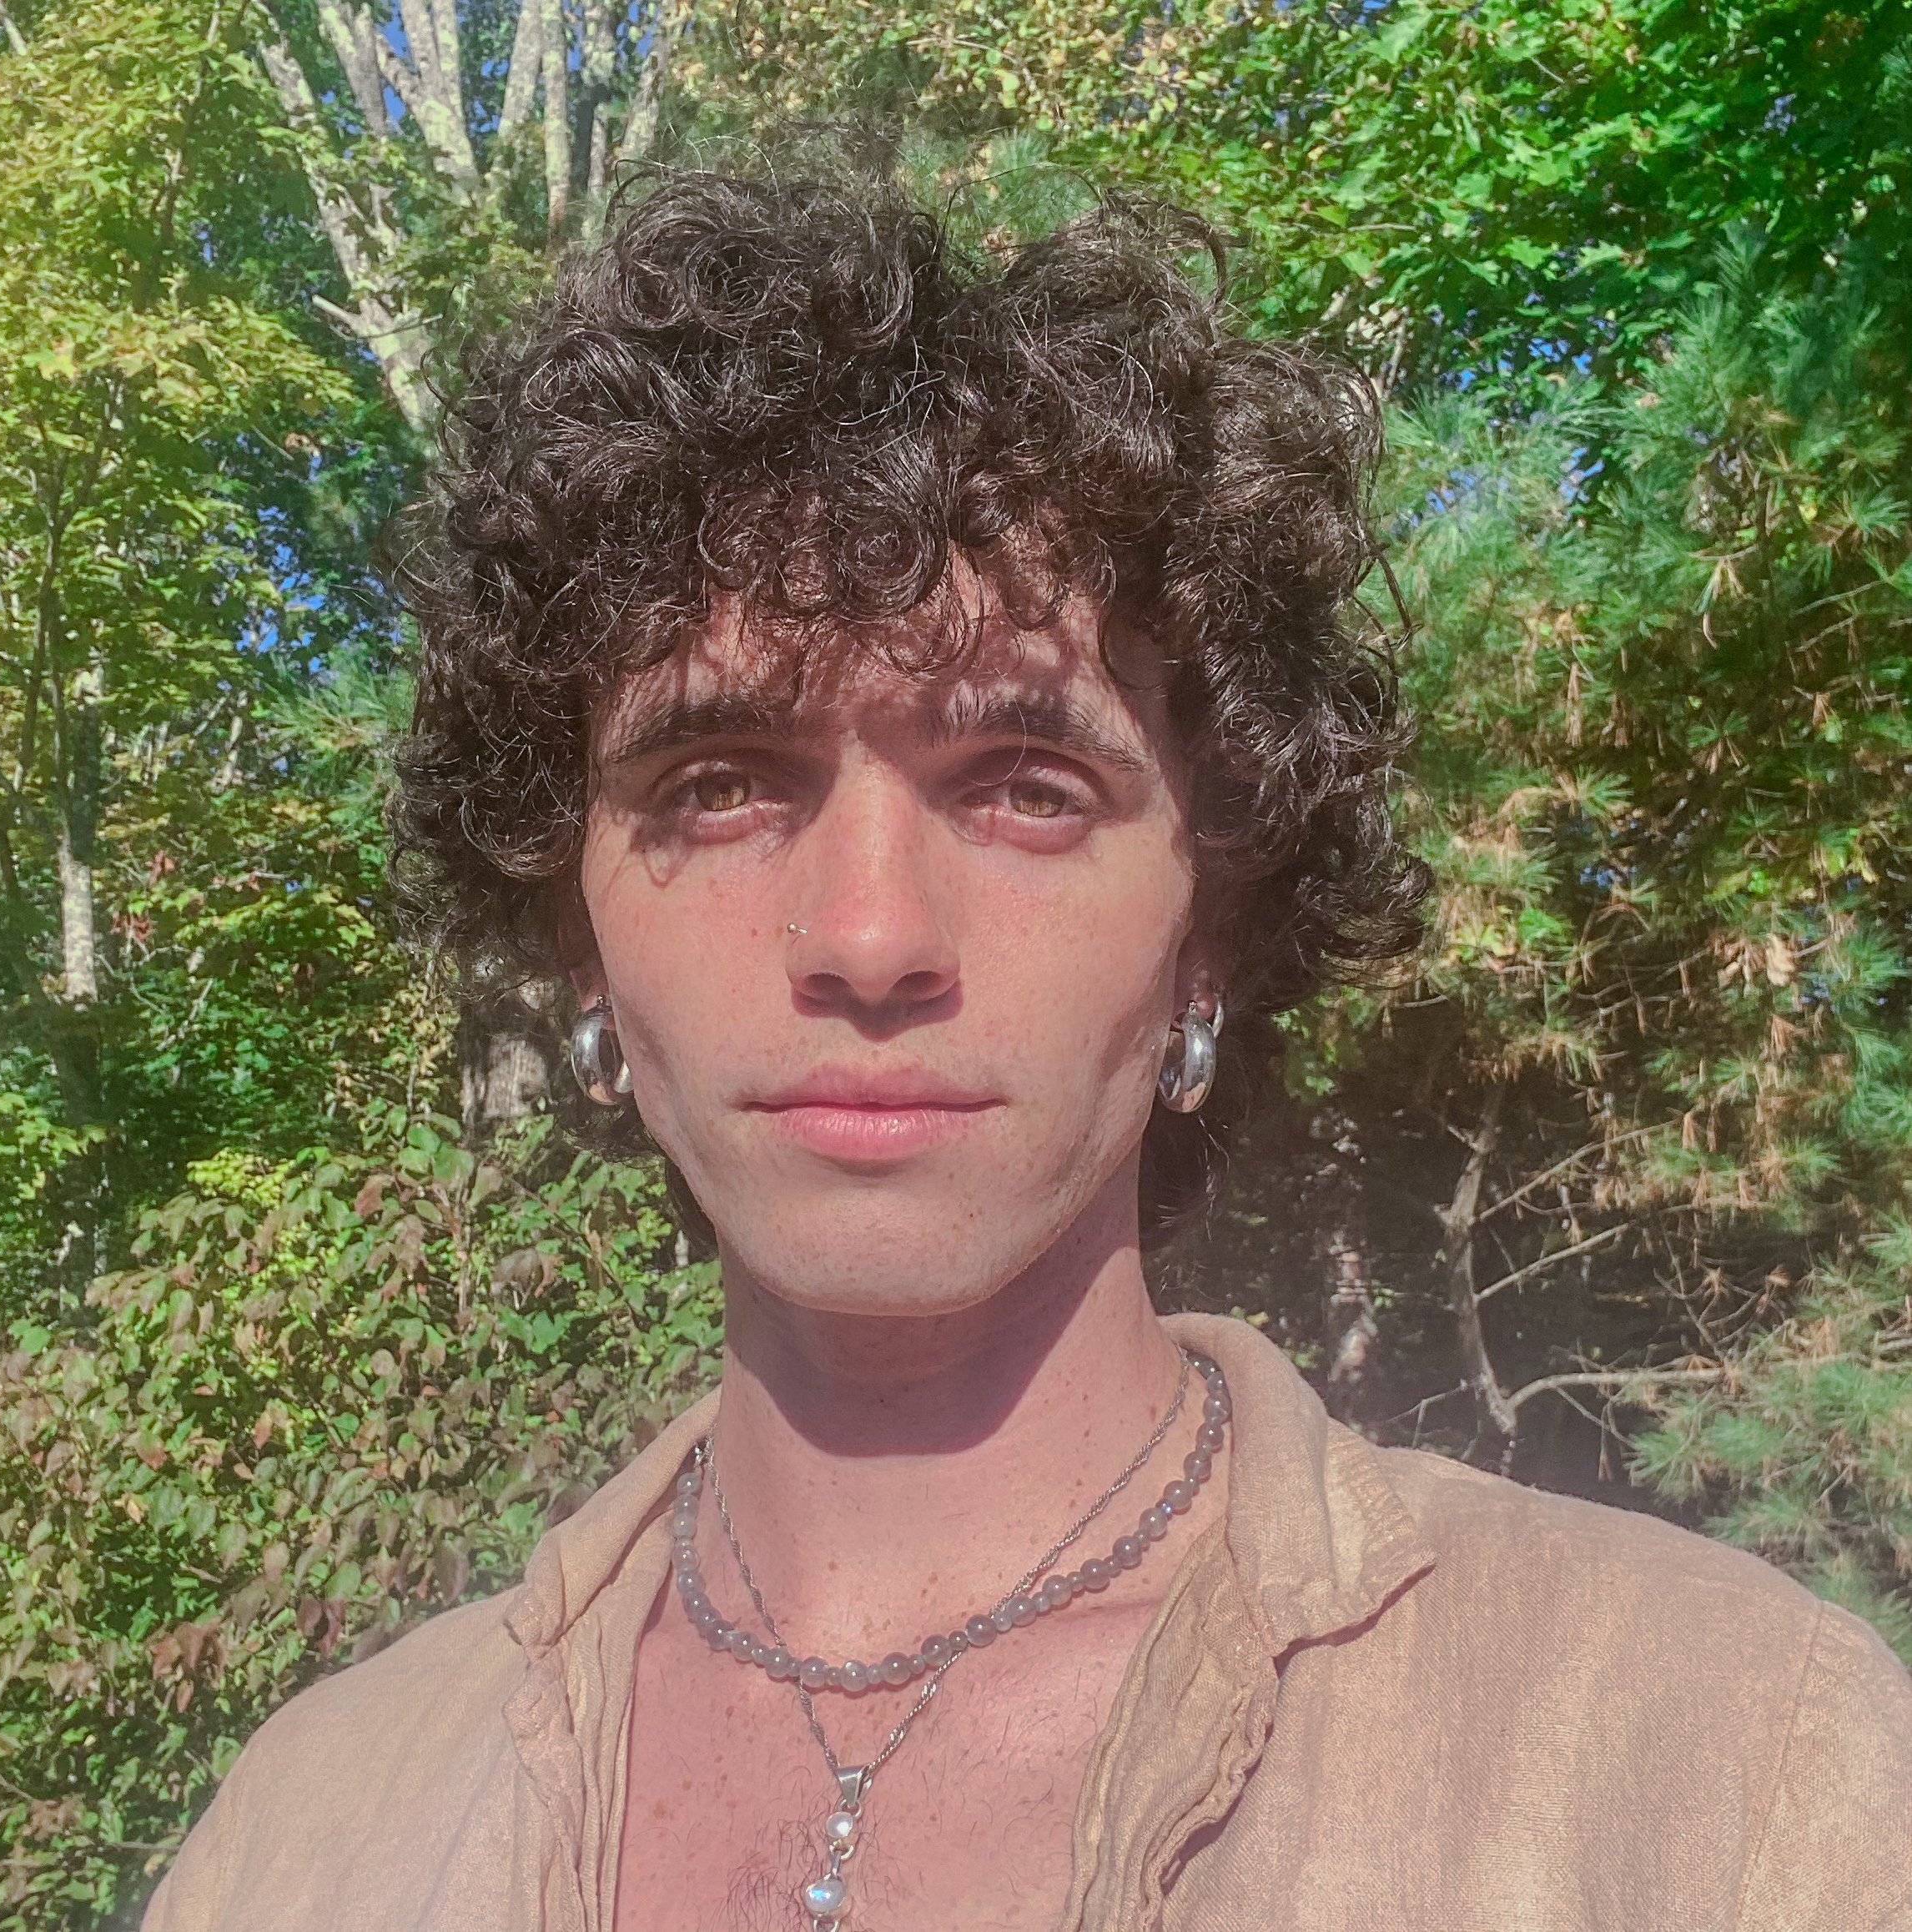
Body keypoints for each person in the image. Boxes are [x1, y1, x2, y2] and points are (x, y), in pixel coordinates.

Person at [141, 171, 1912, 1932]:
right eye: (722, 781)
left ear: (1211, 924)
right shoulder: (301, 1840)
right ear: (571, 925)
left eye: (1025, 788)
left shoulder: (1746, 1784)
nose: (867, 939)